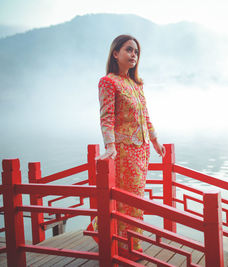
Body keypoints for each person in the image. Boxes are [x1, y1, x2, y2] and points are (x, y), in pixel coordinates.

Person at [89, 34, 165, 260]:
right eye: (129, 50)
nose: (133, 55)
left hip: (142, 151)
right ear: (115, 53)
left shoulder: (136, 84)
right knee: (126, 199)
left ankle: (123, 239)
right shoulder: (108, 81)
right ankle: (128, 244)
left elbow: (146, 117)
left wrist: (155, 141)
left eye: (136, 52)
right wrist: (110, 146)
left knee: (136, 198)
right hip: (123, 151)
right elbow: (106, 117)